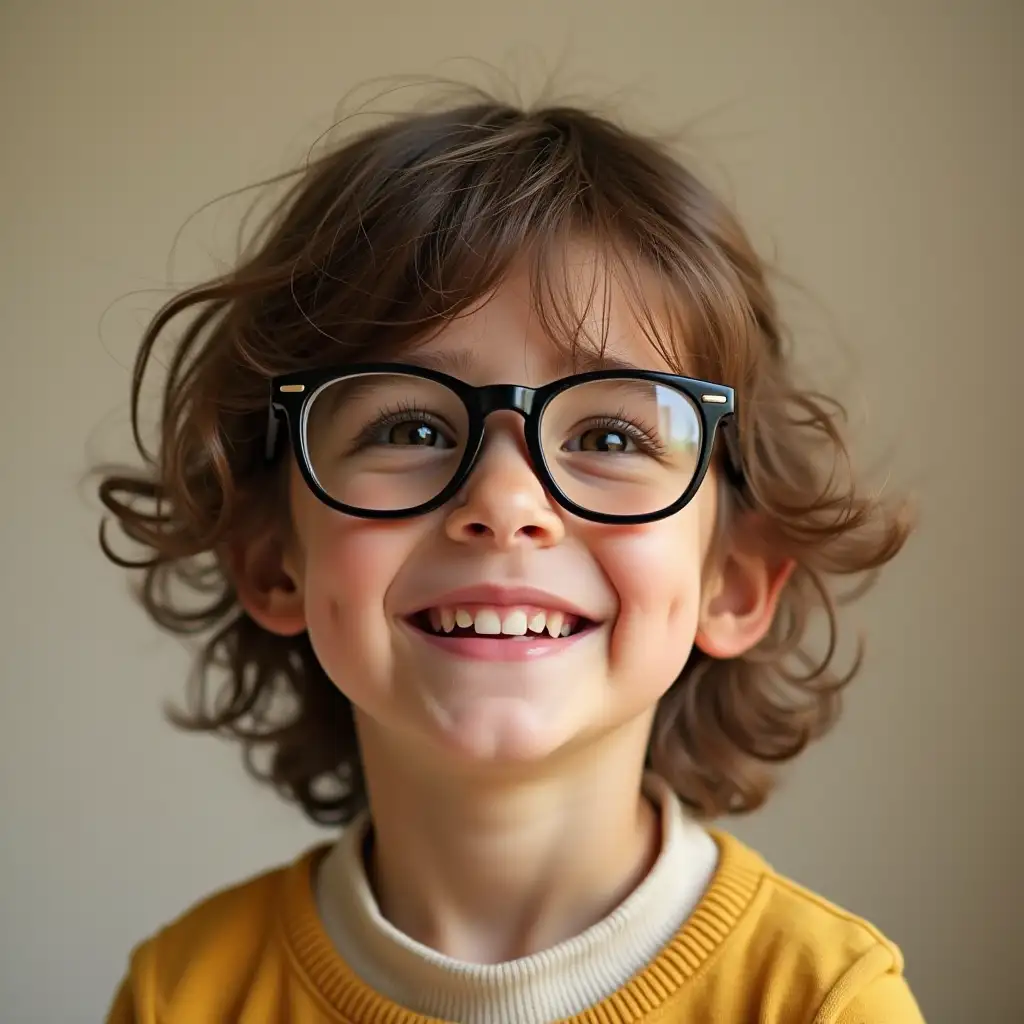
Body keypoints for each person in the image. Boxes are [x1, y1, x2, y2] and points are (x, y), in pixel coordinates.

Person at [99, 91, 923, 1023]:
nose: (504, 502)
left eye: (612, 436)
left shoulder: (821, 1002)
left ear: (729, 581)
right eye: (409, 425)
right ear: (273, 562)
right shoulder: (183, 997)